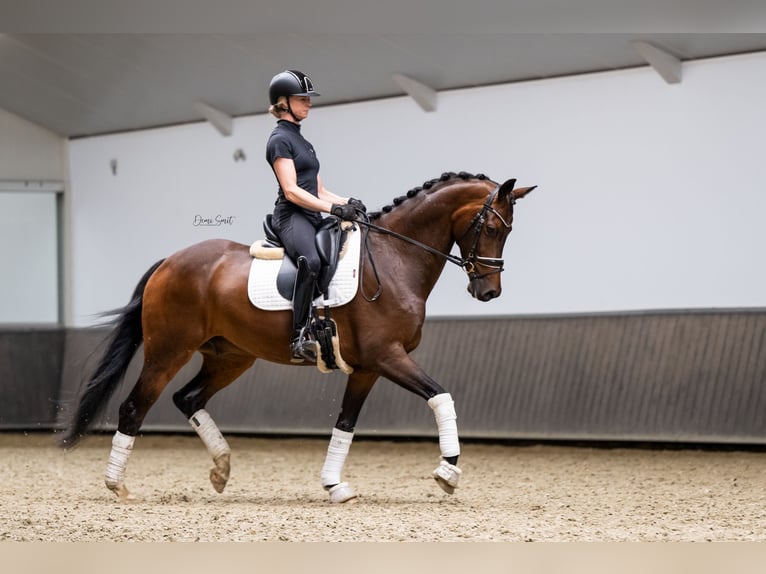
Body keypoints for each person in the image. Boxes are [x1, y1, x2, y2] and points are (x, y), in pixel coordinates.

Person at [265, 70, 365, 363]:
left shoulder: (303, 142)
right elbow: (292, 191)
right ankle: (299, 335)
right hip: (291, 216)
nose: (308, 103)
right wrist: (333, 209)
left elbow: (318, 189)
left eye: (308, 99)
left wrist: (347, 201)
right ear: (283, 102)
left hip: (312, 215)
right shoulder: (279, 140)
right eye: (302, 99)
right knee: (311, 260)